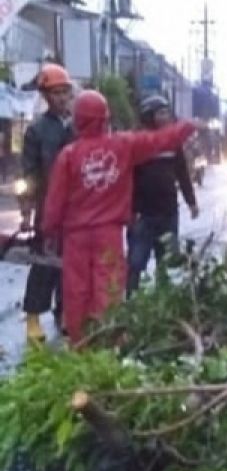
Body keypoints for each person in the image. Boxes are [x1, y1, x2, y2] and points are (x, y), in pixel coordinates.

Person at [41, 90, 196, 346]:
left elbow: (54, 201)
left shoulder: (68, 156)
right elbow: (159, 140)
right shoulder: (123, 145)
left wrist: (49, 232)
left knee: (76, 290)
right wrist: (186, 127)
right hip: (108, 234)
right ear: (105, 118)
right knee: (109, 288)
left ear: (78, 120)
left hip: (75, 237)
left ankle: (80, 345)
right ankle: (108, 343)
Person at [18, 63, 75, 343]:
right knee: (44, 264)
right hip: (47, 208)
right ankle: (32, 317)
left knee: (70, 266)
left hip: (76, 210)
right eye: (55, 92)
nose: (61, 98)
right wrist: (27, 210)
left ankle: (64, 313)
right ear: (45, 95)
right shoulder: (37, 131)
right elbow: (29, 173)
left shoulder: (79, 126)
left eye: (65, 92)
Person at [127, 95, 199, 296]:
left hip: (168, 212)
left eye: (167, 112)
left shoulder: (173, 143)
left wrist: (191, 202)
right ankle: (130, 299)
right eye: (161, 113)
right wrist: (129, 211)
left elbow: (182, 173)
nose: (166, 117)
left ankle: (164, 299)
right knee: (136, 262)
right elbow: (127, 179)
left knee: (167, 261)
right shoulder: (138, 143)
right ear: (149, 116)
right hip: (143, 214)